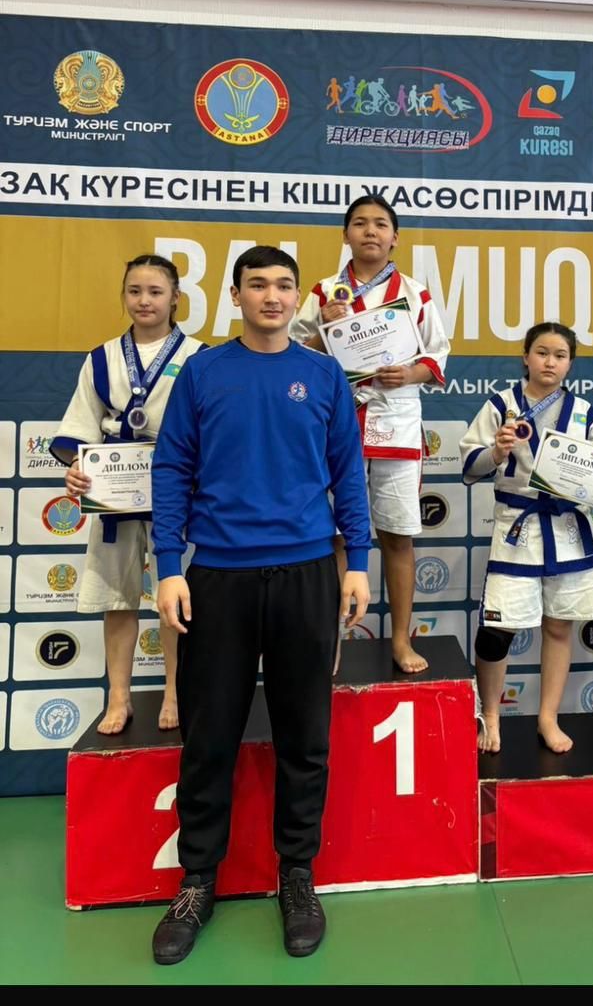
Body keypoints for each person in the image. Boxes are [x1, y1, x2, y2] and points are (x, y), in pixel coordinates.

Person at [150, 246, 371, 964]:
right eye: (257, 285)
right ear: (236, 295)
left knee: (304, 737)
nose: (271, 296)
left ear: (296, 297)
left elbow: (348, 473)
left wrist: (358, 561)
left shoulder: (324, 374)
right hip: (218, 576)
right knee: (209, 736)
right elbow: (171, 467)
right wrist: (168, 566)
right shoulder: (203, 372)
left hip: (307, 574)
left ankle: (296, 876)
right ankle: (197, 881)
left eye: (283, 285)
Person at [291, 195, 449, 674]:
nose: (370, 231)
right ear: (345, 235)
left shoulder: (414, 293)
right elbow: (293, 354)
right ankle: (332, 642)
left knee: (397, 535)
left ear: (394, 237)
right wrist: (323, 331)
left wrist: (410, 373)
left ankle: (400, 639)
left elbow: (437, 354)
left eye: (380, 224)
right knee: (337, 538)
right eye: (359, 223)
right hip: (336, 425)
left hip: (395, 422)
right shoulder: (324, 292)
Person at [51, 255, 205, 735]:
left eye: (156, 292)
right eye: (135, 291)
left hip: (177, 484)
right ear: (124, 296)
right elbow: (80, 425)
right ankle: (118, 695)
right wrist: (76, 468)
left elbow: (212, 428)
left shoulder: (200, 357)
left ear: (176, 298)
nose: (144, 300)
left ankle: (175, 689)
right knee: (117, 597)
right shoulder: (101, 358)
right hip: (113, 487)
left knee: (175, 596)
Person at [460, 322, 593, 754]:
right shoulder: (501, 406)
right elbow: (470, 466)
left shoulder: (585, 412)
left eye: (560, 355)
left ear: (570, 363)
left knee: (559, 626)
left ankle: (548, 717)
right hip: (518, 527)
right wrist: (497, 451)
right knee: (497, 629)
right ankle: (490, 714)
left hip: (567, 529)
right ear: (525, 357)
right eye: (542, 352)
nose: (550, 362)